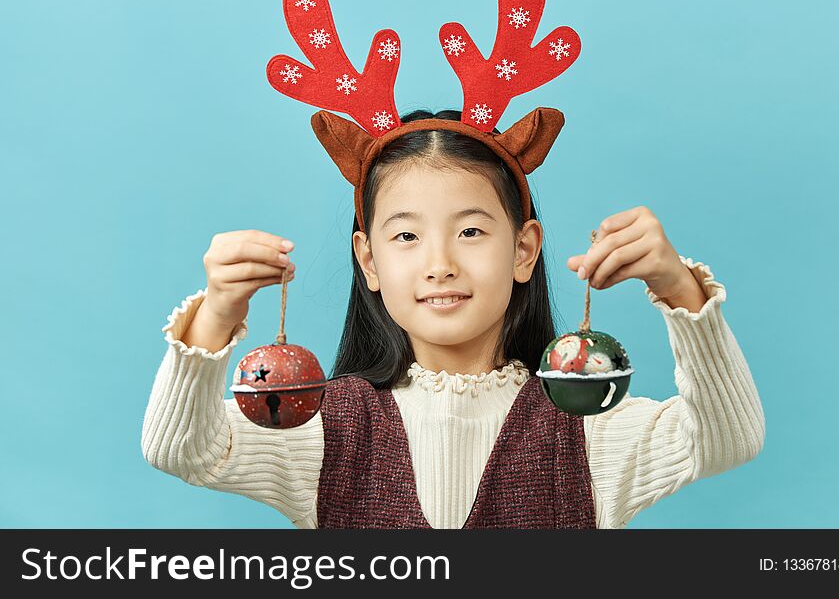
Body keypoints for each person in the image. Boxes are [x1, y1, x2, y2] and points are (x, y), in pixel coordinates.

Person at [141, 107, 765, 529]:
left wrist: (679, 290)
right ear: (369, 261)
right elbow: (180, 449)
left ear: (524, 249)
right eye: (406, 237)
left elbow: (728, 437)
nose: (439, 264)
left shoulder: (586, 429)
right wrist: (218, 311)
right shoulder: (322, 429)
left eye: (470, 230)